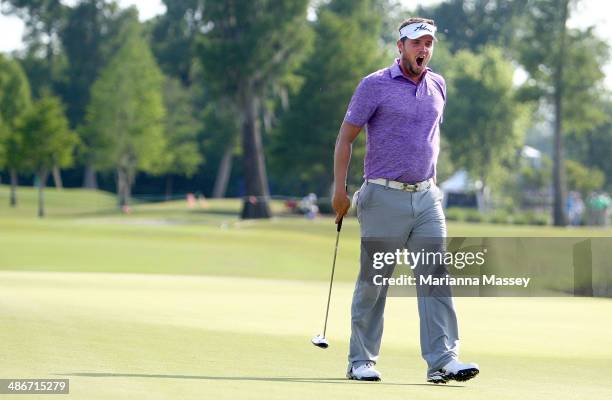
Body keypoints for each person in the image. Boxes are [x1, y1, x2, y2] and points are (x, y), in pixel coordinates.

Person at [332, 17, 479, 384]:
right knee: (375, 280)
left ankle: (443, 360)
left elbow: (427, 140)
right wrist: (339, 189)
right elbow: (345, 138)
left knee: (436, 277)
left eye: (428, 43)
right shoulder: (374, 85)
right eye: (416, 43)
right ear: (400, 47)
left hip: (427, 198)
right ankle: (360, 360)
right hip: (382, 195)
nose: (423, 49)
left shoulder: (438, 85)